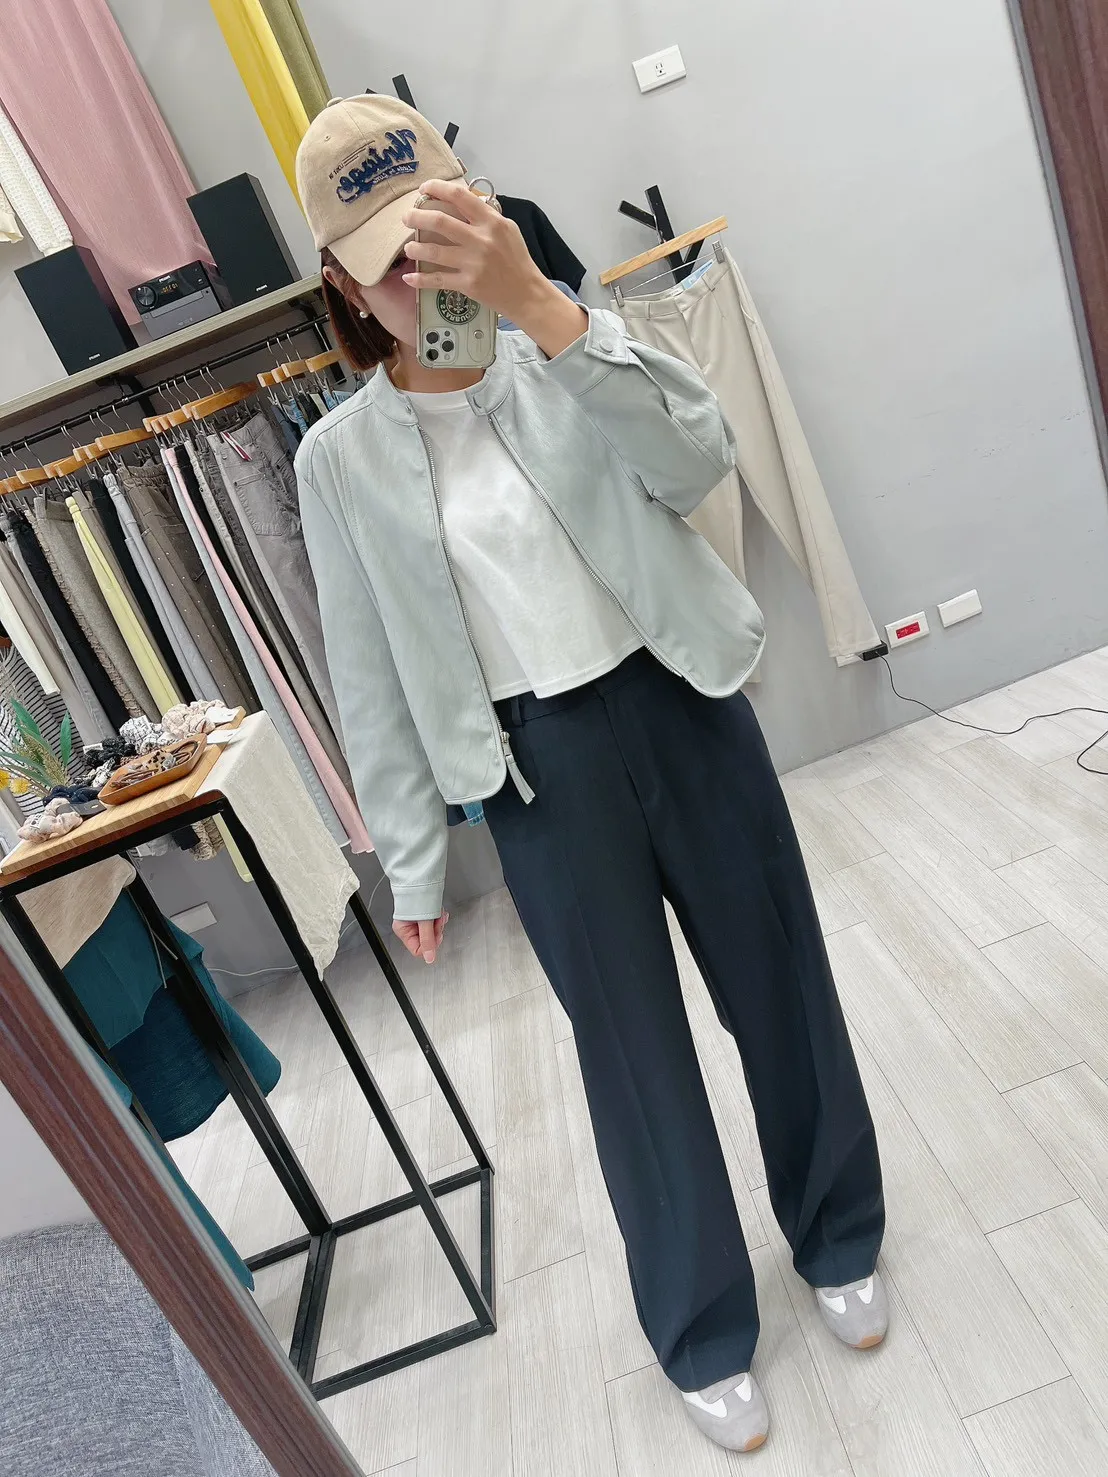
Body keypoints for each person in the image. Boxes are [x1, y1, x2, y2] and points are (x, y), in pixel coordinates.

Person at [293, 95, 886, 1454]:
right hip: (537, 779)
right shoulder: (339, 463)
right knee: (633, 1062)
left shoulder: (565, 351)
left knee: (779, 989)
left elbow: (698, 459)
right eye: (386, 261)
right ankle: (702, 1323)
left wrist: (544, 313)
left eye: (438, 235)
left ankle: (840, 1227)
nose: (420, 278)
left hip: (680, 707)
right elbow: (368, 673)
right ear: (342, 285)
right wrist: (414, 858)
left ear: (483, 216)